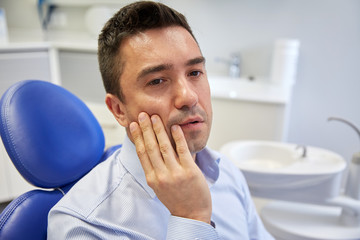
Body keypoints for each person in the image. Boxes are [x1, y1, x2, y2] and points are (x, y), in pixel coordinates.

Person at [47, 1, 274, 239]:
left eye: (194, 73)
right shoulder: (85, 224)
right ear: (118, 109)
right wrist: (192, 217)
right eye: (157, 81)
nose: (189, 96)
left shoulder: (226, 172)